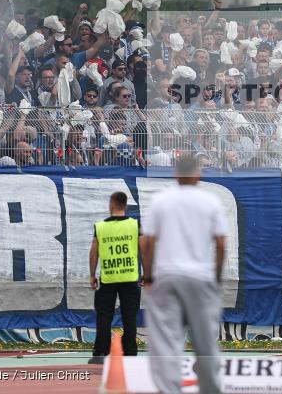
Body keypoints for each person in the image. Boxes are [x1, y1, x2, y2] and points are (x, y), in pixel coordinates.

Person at [141, 154, 227, 394]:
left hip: (166, 275)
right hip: (200, 276)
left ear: (175, 173)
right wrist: (217, 276)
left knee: (166, 340)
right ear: (198, 173)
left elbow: (147, 242)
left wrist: (148, 276)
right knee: (206, 340)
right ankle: (210, 389)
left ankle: (169, 389)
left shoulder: (161, 200)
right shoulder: (210, 202)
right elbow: (220, 244)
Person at [88, 191, 141, 364]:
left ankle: (100, 353)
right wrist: (147, 273)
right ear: (125, 205)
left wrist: (92, 275)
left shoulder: (100, 227)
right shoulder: (135, 225)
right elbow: (144, 248)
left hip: (108, 278)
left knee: (104, 317)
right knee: (129, 317)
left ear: (111, 205)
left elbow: (93, 253)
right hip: (130, 277)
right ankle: (130, 353)